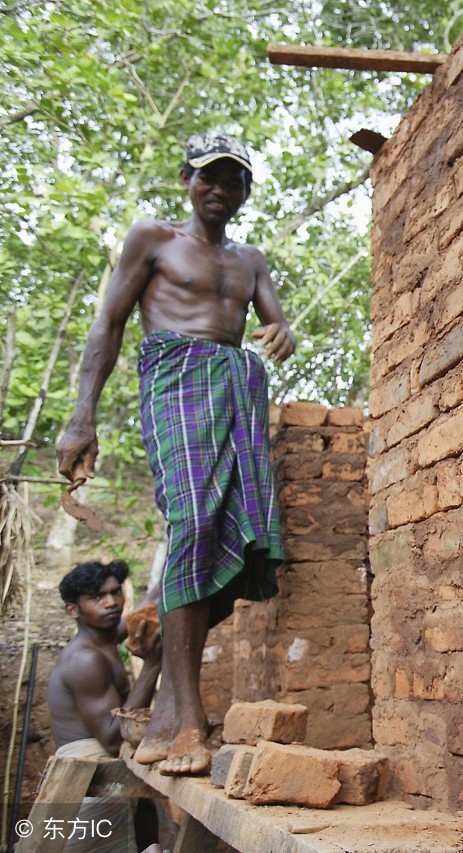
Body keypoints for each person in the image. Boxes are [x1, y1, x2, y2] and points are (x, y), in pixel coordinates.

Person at [56, 132, 293, 776]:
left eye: (234, 180)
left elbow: (276, 325)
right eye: (208, 176)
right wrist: (82, 419)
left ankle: (164, 702)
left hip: (237, 389)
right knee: (190, 522)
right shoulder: (153, 239)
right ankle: (187, 715)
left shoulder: (252, 260)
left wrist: (281, 330)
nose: (219, 189)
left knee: (236, 537)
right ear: (187, 179)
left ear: (246, 193)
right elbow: (108, 324)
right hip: (176, 381)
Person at [48, 560, 161, 852]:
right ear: (73, 610)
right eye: (97, 597)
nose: (111, 602)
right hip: (89, 780)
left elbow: (150, 603)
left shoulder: (105, 637)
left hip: (106, 774)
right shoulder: (85, 660)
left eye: (115, 592)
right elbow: (112, 738)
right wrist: (152, 666)